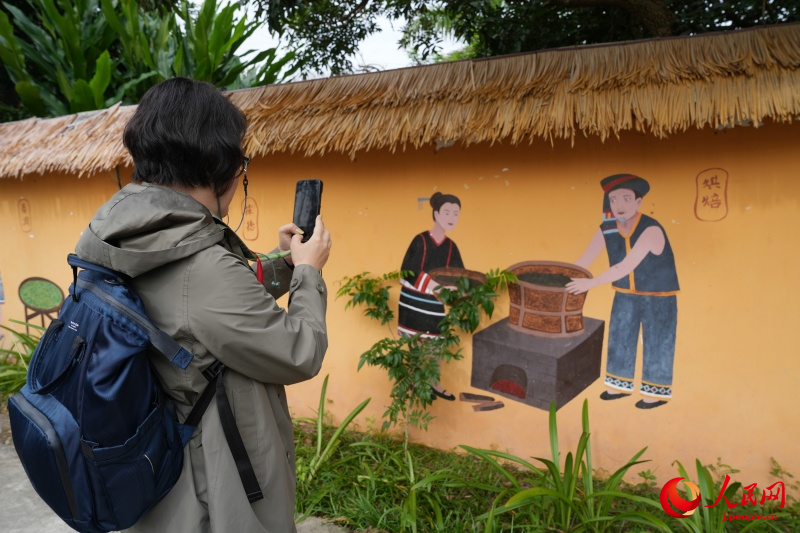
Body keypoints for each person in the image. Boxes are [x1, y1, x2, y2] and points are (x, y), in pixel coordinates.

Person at [74, 78, 332, 532]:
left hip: (157, 463)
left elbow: (197, 312)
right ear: (216, 159)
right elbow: (299, 351)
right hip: (215, 481)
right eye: (240, 161)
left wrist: (286, 264)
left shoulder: (125, 233)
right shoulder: (202, 265)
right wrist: (310, 272)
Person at [565, 174, 679, 410]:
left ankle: (654, 392)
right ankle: (618, 386)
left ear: (638, 202)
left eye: (626, 199)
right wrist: (561, 277)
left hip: (659, 296)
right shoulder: (607, 228)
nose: (619, 205)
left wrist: (590, 283)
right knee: (620, 336)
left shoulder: (651, 229)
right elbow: (585, 259)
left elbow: (625, 266)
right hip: (625, 293)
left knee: (657, 341)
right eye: (614, 199)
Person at [398, 192, 464, 401]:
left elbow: (459, 274)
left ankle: (434, 384)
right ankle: (416, 383)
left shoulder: (451, 246)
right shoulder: (420, 240)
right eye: (447, 212)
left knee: (437, 345)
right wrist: (437, 286)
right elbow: (408, 270)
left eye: (455, 213)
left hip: (435, 303)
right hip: (413, 301)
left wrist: (458, 289)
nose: (451, 217)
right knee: (416, 343)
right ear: (436, 214)